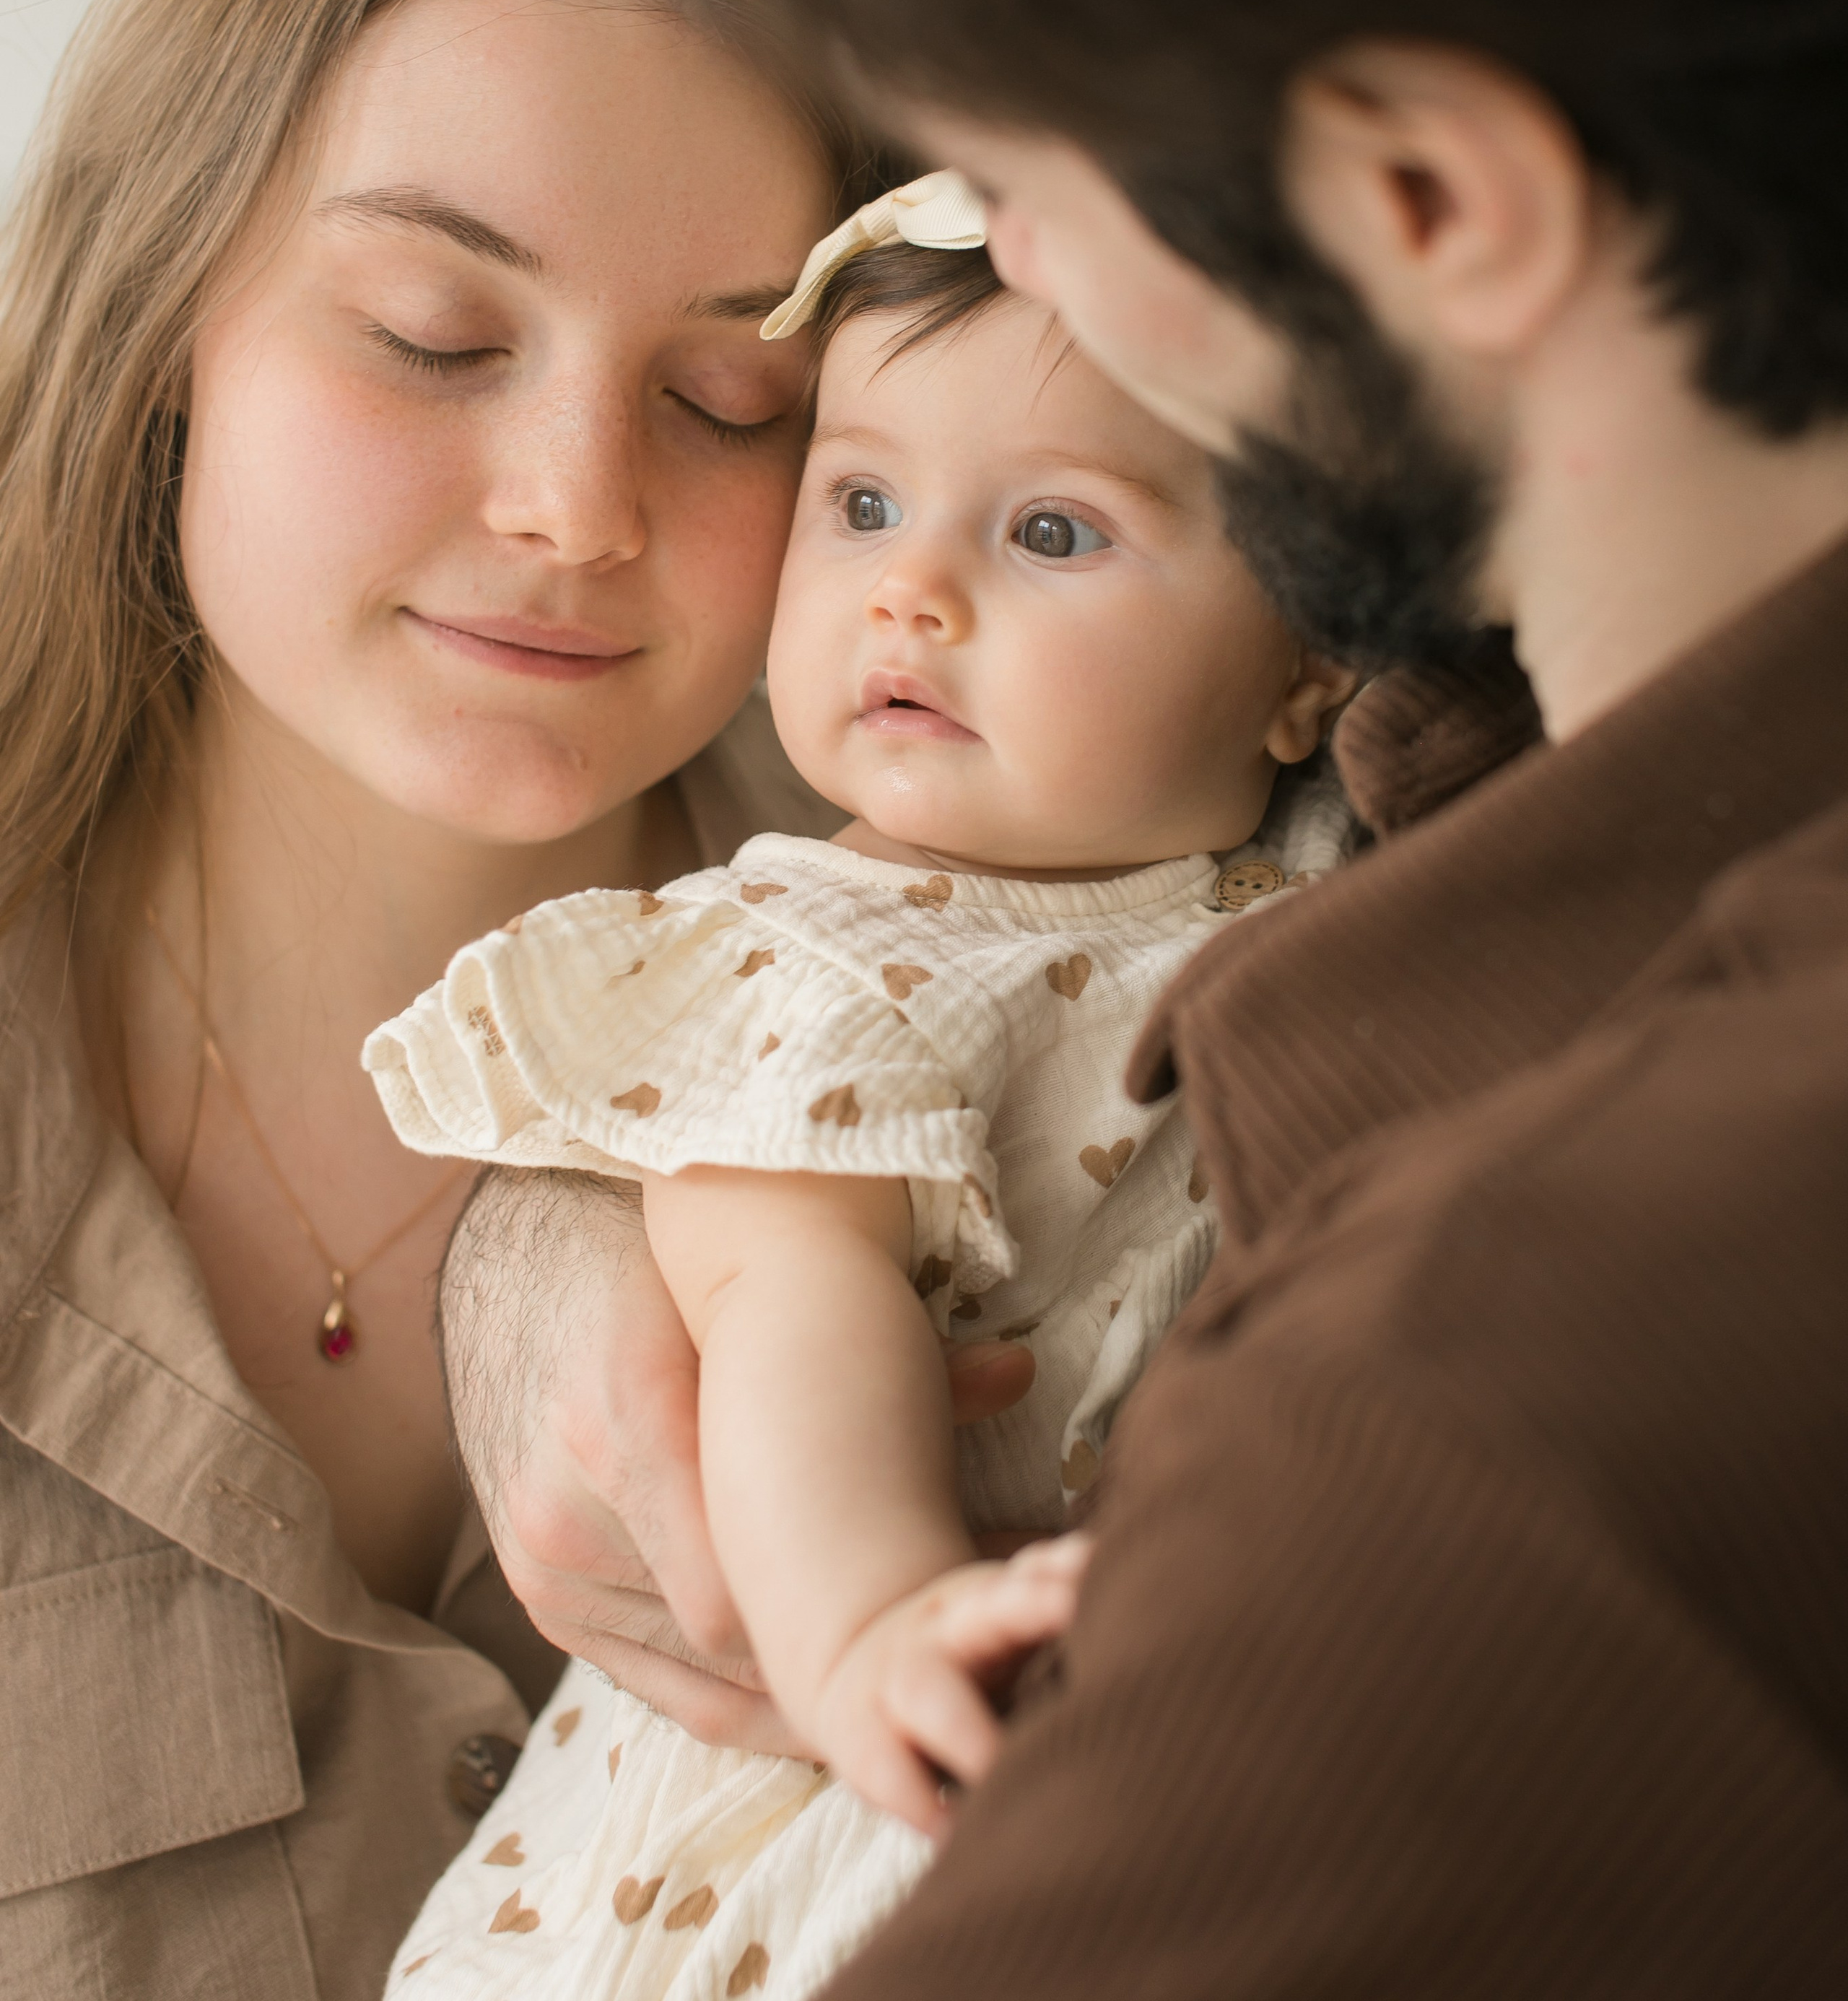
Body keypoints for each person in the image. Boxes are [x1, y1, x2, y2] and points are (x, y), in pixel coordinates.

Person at [432, 0, 1848, 1991]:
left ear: (1417, 191)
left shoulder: (1506, 1465)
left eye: (1015, 182)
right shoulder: (1494, 886)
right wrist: (605, 1226)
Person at [0, 0, 1026, 2001]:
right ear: (163, 321)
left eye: (732, 403)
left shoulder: (1026, 1060)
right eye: (436, 338)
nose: (576, 504)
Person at [364, 186, 1354, 1999]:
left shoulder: (1315, 871)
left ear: (1310, 666)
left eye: (1051, 530)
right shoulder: (824, 953)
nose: (909, 588)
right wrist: (881, 1624)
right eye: (862, 503)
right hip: (802, 1791)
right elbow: (784, 1299)